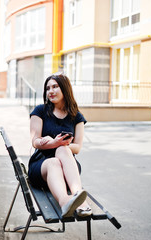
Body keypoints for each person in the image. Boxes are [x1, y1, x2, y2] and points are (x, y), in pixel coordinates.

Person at [28, 73, 92, 218]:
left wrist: (61, 145)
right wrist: (53, 143)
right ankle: (65, 202)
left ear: (65, 89)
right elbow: (35, 141)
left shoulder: (76, 116)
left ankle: (78, 196)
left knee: (63, 150)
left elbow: (78, 147)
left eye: (55, 87)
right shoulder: (40, 111)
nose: (50, 91)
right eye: (48, 88)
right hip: (41, 165)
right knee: (53, 162)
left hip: (67, 166)